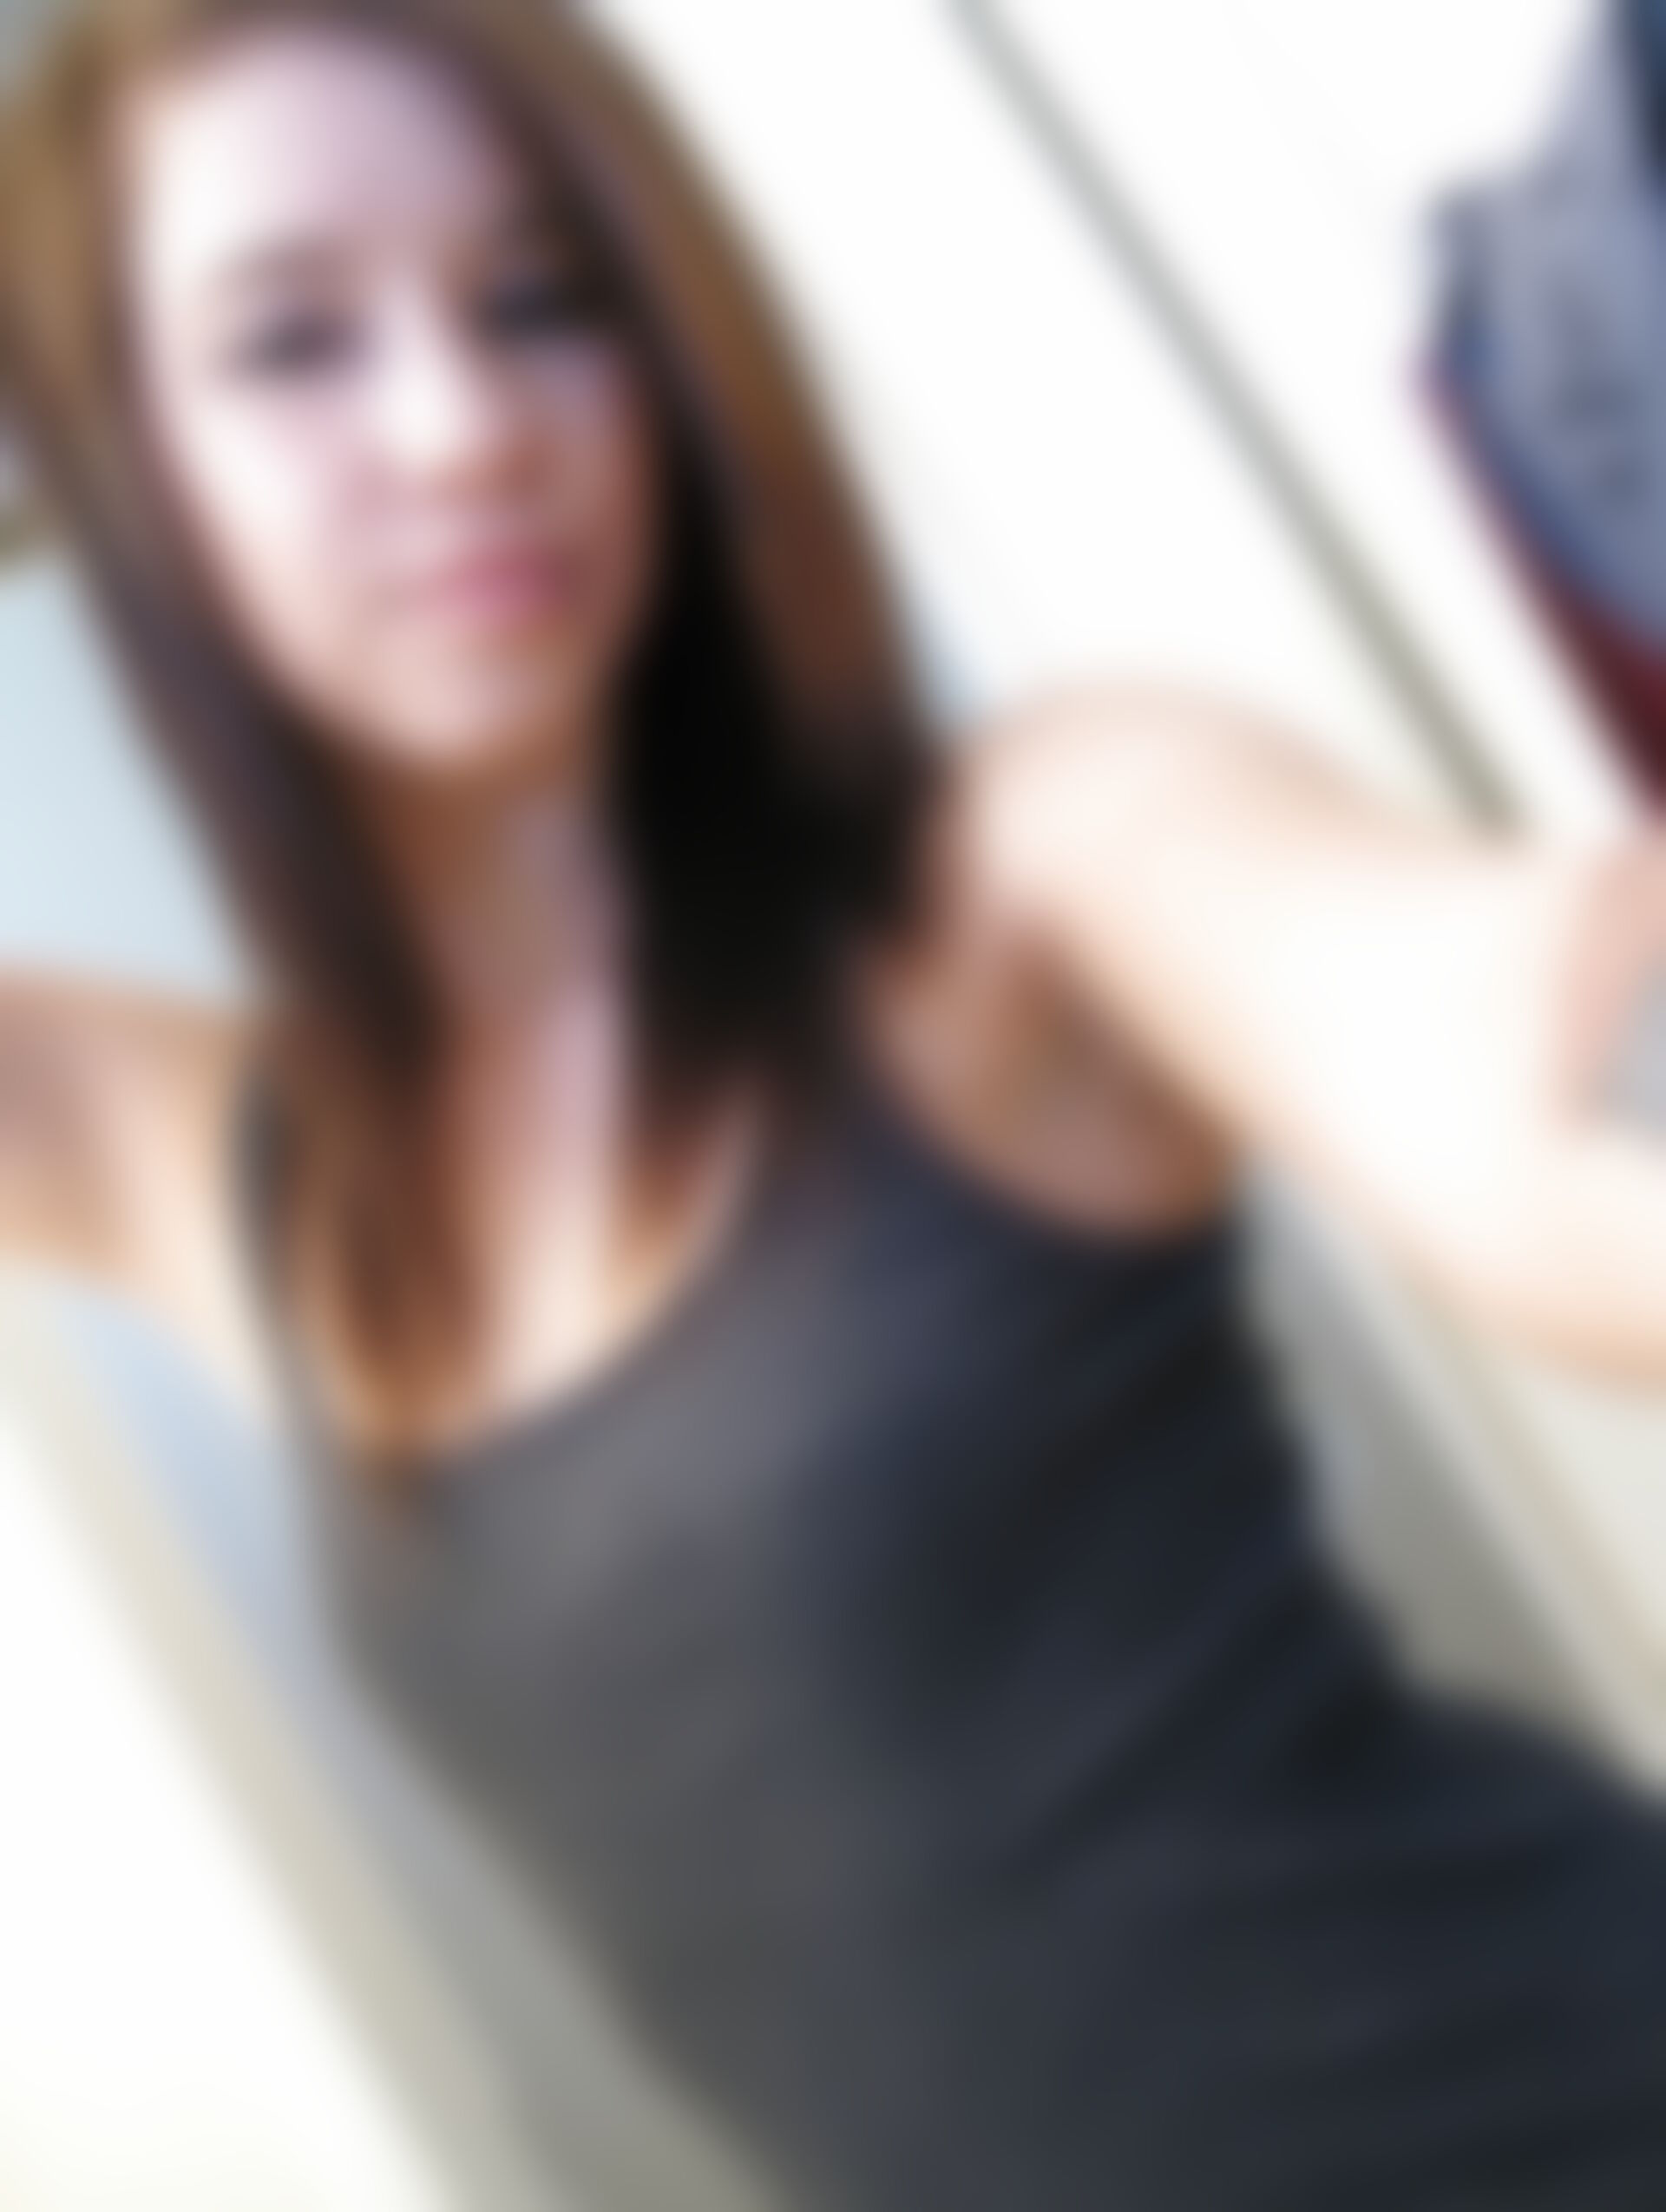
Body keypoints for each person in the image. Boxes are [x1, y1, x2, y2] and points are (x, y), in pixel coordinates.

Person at [9, 3, 1666, 2205]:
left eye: (544, 298)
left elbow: (1538, 1101)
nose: (461, 425)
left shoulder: (1022, 866)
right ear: (111, 441)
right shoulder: (215, 1173)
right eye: (291, 342)